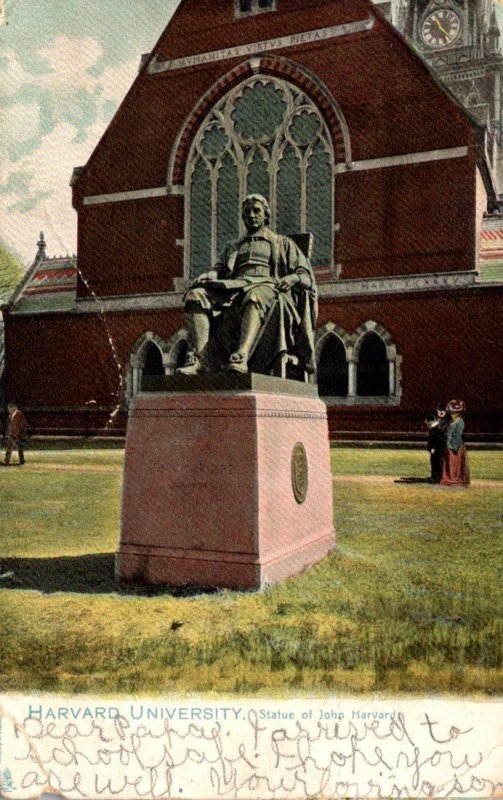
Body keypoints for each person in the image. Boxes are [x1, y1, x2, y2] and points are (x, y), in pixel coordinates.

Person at [177, 194, 317, 376]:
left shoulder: (283, 243)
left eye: (256, 210)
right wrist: (210, 275)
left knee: (255, 295)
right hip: (233, 287)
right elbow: (217, 270)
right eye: (247, 212)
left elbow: (305, 276)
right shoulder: (233, 246)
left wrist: (292, 279)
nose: (251, 215)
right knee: (195, 295)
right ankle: (203, 359)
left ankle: (241, 356)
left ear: (266, 215)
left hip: (267, 286)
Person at [440, 399, 470, 487]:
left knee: (454, 464)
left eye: (453, 413)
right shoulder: (453, 422)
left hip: (455, 446)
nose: (451, 414)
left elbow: (457, 435)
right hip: (449, 446)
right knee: (449, 463)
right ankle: (449, 478)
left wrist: (453, 446)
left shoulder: (459, 422)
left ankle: (455, 479)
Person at [3, 401, 28, 466]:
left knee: (19, 448)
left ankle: (21, 460)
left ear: (14, 407)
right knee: (9, 447)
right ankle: (6, 461)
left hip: (18, 434)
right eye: (8, 408)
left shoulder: (19, 414)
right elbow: (10, 425)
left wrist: (20, 433)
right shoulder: (11, 415)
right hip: (12, 434)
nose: (9, 410)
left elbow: (23, 424)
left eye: (10, 408)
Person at [425, 412, 445, 483]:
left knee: (436, 463)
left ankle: (436, 477)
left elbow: (437, 440)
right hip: (436, 450)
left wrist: (433, 448)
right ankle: (434, 476)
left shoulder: (436, 429)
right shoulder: (436, 428)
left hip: (436, 450)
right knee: (434, 462)